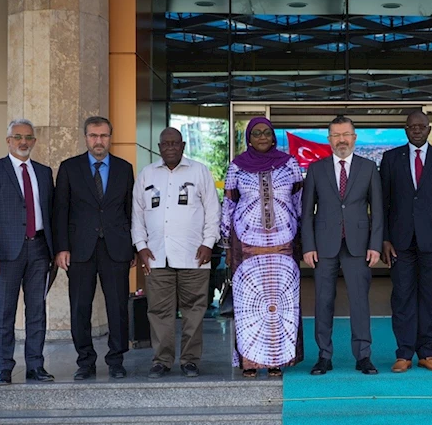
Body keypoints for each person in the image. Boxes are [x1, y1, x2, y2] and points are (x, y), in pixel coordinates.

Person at [131, 127, 220, 379]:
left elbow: (213, 211)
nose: (170, 147)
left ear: (182, 146)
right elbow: (137, 214)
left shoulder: (199, 171)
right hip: (157, 256)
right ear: (159, 148)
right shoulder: (147, 175)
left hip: (195, 255)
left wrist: (209, 243)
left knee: (194, 310)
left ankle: (190, 360)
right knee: (159, 312)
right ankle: (162, 360)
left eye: (175, 143)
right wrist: (141, 245)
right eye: (165, 144)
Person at [220, 117, 305, 378]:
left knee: (282, 303)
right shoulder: (236, 167)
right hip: (246, 245)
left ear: (273, 136)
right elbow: (228, 206)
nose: (262, 137)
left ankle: (277, 360)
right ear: (248, 137)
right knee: (249, 306)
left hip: (283, 242)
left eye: (267, 132)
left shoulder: (289, 164)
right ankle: (250, 361)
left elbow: (299, 201)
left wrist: (303, 235)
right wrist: (225, 242)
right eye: (256, 133)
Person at [53, 116, 136, 380]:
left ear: (110, 137)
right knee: (80, 307)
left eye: (103, 136)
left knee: (118, 307)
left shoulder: (124, 168)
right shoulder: (69, 168)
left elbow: (130, 210)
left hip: (116, 248)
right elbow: (60, 210)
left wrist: (133, 246)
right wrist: (61, 248)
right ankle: (85, 361)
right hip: (79, 249)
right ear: (85, 137)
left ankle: (116, 360)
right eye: (93, 135)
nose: (98, 141)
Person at [301, 115, 383, 376]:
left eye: (346, 134)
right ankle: (324, 356)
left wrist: (375, 245)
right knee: (323, 301)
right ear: (329, 140)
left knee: (360, 301)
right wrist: (308, 245)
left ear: (354, 137)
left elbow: (378, 210)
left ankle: (363, 356)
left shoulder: (369, 168)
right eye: (336, 135)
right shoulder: (316, 169)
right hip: (324, 246)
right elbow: (306, 212)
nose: (341, 140)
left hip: (359, 245)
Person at [379, 111, 432, 374]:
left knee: (430, 298)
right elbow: (383, 203)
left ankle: (427, 352)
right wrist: (384, 239)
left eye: (421, 126)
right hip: (400, 242)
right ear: (405, 130)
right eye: (412, 126)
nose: (416, 130)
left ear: (429, 129)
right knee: (402, 297)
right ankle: (403, 353)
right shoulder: (391, 159)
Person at [0, 119, 55, 385]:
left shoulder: (44, 172)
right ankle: (5, 368)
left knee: (37, 311)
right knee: (4, 313)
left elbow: (51, 213)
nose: (23, 142)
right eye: (18, 137)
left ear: (34, 141)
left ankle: (35, 366)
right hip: (6, 254)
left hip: (39, 250)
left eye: (28, 137)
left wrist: (56, 250)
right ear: (8, 140)